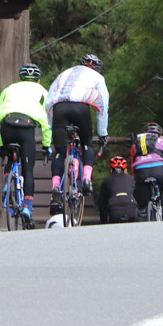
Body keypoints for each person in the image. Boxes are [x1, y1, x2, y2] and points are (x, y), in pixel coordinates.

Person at [46, 53, 110, 214]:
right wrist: (103, 133)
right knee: (87, 144)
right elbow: (103, 103)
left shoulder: (64, 73)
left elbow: (49, 99)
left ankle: (55, 188)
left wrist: (50, 126)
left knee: (60, 152)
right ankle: (87, 179)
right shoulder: (97, 77)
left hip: (59, 108)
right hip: (81, 108)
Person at [0, 63, 52, 229]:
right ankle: (27, 207)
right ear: (39, 80)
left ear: (20, 79)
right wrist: (47, 145)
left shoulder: (8, 89)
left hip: (6, 124)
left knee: (9, 156)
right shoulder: (43, 92)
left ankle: (7, 184)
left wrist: (1, 145)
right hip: (26, 127)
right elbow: (47, 123)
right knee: (28, 170)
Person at [131, 121, 163, 220]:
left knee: (142, 203)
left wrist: (136, 178)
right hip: (159, 169)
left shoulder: (136, 144)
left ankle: (143, 212)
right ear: (160, 134)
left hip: (141, 172)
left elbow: (133, 165)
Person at [98, 156, 139, 224]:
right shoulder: (132, 179)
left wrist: (103, 221)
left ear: (111, 170)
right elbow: (138, 196)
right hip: (131, 209)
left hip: (114, 211)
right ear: (125, 170)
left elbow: (102, 203)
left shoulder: (106, 181)